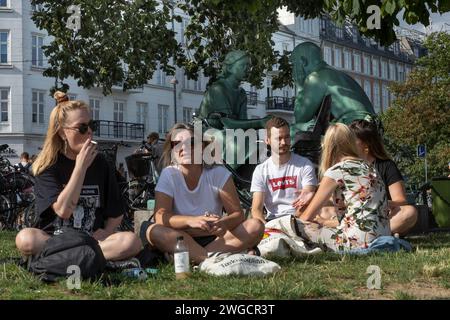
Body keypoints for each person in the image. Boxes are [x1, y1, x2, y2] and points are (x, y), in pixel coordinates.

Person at [15, 91, 141, 261]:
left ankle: (63, 259)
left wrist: (106, 231)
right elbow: (63, 211)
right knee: (26, 239)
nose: (89, 132)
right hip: (57, 239)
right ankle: (86, 257)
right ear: (62, 132)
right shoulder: (48, 165)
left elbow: (116, 212)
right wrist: (80, 167)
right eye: (82, 127)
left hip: (92, 239)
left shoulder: (101, 163)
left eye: (91, 125)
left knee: (131, 241)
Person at [140, 123, 264, 265]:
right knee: (154, 231)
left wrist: (222, 223)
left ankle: (195, 258)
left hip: (213, 237)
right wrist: (191, 220)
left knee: (256, 226)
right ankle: (211, 260)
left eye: (191, 143)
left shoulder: (218, 173)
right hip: (181, 236)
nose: (184, 148)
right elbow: (160, 216)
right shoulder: (169, 174)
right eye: (177, 143)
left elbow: (237, 214)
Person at [298, 123, 390, 251]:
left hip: (355, 242)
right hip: (381, 237)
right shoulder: (370, 168)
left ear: (329, 147)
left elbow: (306, 217)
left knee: (297, 226)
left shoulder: (336, 171)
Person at [289, 42, 375, 136]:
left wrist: (301, 86)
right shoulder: (340, 75)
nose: (293, 69)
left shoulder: (316, 77)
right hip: (371, 128)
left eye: (293, 64)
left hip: (353, 131)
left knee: (291, 132)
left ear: (303, 61)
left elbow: (300, 117)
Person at [349, 119, 418, 235]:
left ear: (366, 144)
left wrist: (378, 202)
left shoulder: (386, 165)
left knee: (409, 212)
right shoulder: (345, 166)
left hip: (381, 215)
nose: (346, 143)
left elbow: (401, 200)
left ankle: (369, 236)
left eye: (351, 140)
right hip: (352, 216)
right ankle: (373, 236)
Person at [250, 116, 317, 224]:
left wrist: (289, 223)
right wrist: (265, 226)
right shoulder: (260, 170)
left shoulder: (305, 165)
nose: (283, 142)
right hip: (272, 221)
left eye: (287, 137)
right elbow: (256, 210)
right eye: (278, 138)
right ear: (267, 140)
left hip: (299, 220)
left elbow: (307, 203)